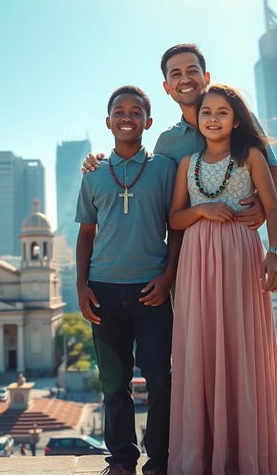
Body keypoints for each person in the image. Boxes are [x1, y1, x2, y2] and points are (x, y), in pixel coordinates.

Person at [168, 84, 277, 475]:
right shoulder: (187, 162)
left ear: (236, 119)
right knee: (201, 346)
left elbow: (272, 208)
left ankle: (245, 455)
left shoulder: (250, 155)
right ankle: (202, 456)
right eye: (206, 112)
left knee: (241, 346)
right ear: (197, 120)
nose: (213, 118)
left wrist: (275, 252)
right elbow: (174, 218)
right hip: (197, 261)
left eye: (222, 112)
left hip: (240, 256)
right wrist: (206, 211)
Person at [76, 86, 178, 475]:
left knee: (160, 379)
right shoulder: (94, 173)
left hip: (151, 290)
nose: (127, 117)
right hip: (102, 290)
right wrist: (81, 287)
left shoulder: (164, 169)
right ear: (108, 121)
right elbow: (86, 234)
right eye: (119, 111)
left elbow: (177, 227)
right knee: (113, 384)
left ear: (147, 122)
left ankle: (160, 458)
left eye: (136, 112)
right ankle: (121, 458)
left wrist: (168, 276)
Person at [83, 44, 277, 222]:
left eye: (192, 71)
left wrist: (262, 205)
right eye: (176, 74)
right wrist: (100, 161)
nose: (185, 79)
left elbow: (272, 172)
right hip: (191, 248)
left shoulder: (241, 119)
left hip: (238, 240)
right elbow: (145, 177)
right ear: (167, 87)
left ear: (206, 78)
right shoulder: (166, 142)